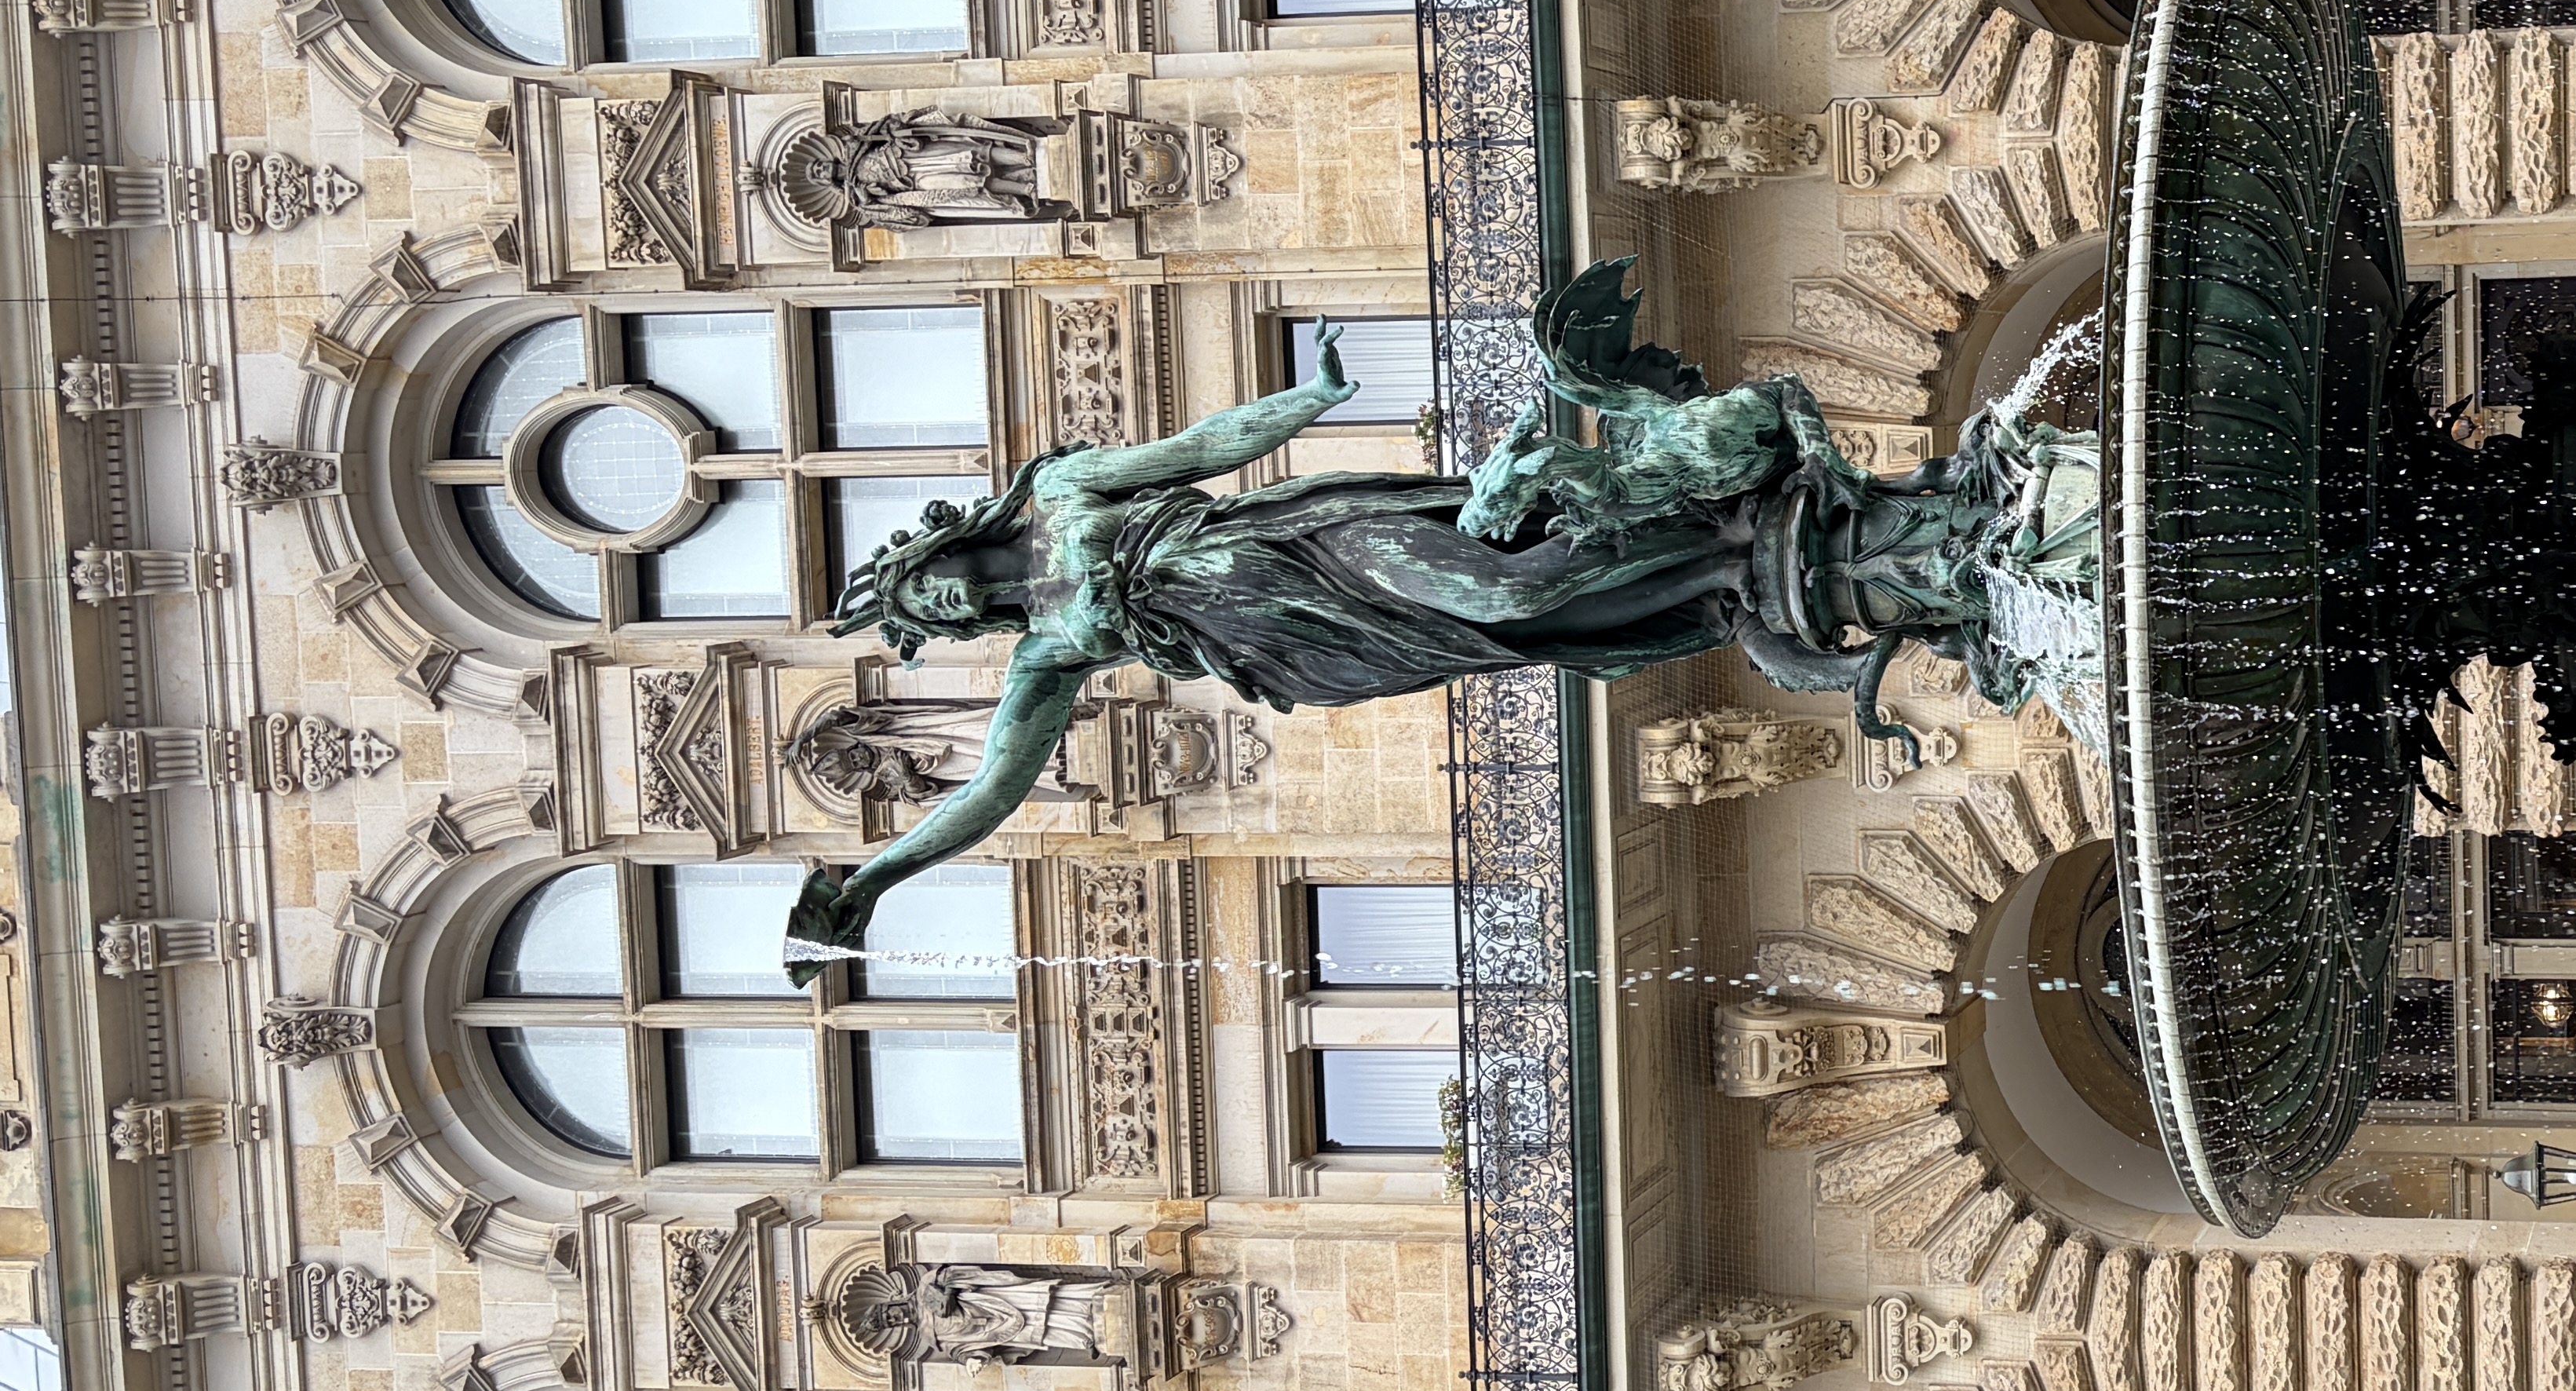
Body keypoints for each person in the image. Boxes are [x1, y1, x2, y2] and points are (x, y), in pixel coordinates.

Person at [779, 267, 2094, 982]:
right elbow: (998, 784)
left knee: (1511, 585)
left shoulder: (1065, 498)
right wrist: (879, 875)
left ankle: (1712, 543)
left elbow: (1198, 443)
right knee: (1516, 624)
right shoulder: (1051, 652)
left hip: (1297, 542)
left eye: (933, 579)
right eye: (931, 615)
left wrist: (1307, 399)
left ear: (954, 544)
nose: (948, 601)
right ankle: (1708, 560)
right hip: (1298, 644)